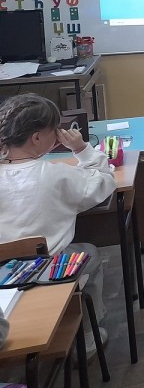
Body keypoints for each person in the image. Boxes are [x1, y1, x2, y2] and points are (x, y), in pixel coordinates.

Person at [0, 94, 116, 355]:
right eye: (54, 130)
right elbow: (103, 182)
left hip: (3, 273)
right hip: (45, 270)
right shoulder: (55, 175)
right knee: (90, 253)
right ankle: (88, 336)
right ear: (37, 138)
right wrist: (82, 149)